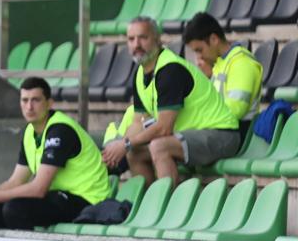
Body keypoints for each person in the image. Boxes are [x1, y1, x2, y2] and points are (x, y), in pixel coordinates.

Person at [100, 16, 239, 183]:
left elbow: (164, 128)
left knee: (160, 146)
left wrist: (126, 144)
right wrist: (122, 147)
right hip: (190, 136)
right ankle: (149, 203)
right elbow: (138, 122)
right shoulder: (140, 73)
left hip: (222, 135)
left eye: (143, 38)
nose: (136, 44)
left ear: (157, 40)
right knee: (134, 152)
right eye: (131, 39)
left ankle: (170, 205)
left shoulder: (170, 70)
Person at [0, 77, 111, 229]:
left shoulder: (60, 130)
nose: (29, 107)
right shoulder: (29, 132)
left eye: (36, 100)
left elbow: (39, 189)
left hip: (88, 201)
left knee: (15, 209)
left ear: (49, 103)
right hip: (59, 197)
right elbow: (15, 181)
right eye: (25, 100)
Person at [182, 12, 263, 125]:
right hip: (219, 128)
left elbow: (235, 110)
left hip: (238, 132)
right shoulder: (220, 64)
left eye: (199, 50)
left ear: (214, 39)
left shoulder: (242, 63)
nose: (198, 57)